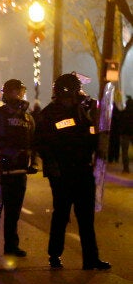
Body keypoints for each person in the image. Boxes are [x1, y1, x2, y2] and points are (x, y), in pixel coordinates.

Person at [34, 73, 110, 270]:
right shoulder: (49, 113)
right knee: (61, 214)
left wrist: (98, 138)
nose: (74, 97)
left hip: (83, 169)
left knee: (86, 217)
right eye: (71, 93)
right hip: (62, 172)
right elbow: (41, 143)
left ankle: (91, 259)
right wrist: (52, 164)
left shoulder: (83, 111)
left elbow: (93, 134)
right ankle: (54, 255)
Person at [0, 79, 36, 258]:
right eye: (17, 91)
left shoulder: (28, 117)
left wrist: (33, 163)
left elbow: (33, 143)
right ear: (8, 93)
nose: (19, 95)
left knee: (13, 213)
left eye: (20, 91)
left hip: (19, 173)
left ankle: (11, 246)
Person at [120, 96, 133, 173]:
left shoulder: (123, 112)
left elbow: (120, 122)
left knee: (125, 152)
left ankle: (126, 168)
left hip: (125, 133)